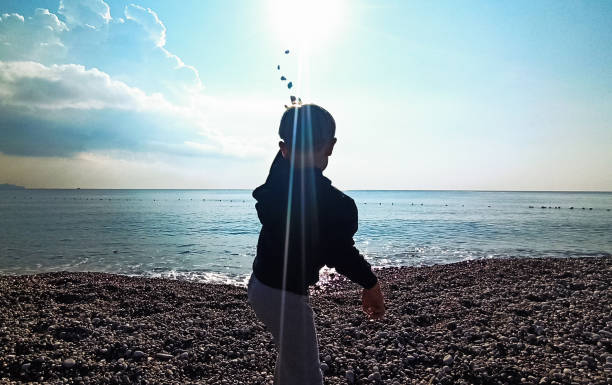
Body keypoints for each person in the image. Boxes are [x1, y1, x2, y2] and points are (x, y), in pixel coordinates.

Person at [247, 103, 385, 385]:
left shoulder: (276, 190)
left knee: (292, 360)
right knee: (306, 373)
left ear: (284, 149)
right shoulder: (337, 205)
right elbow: (341, 253)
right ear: (331, 146)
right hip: (286, 297)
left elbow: (281, 164)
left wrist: (287, 143)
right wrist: (371, 284)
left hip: (259, 286)